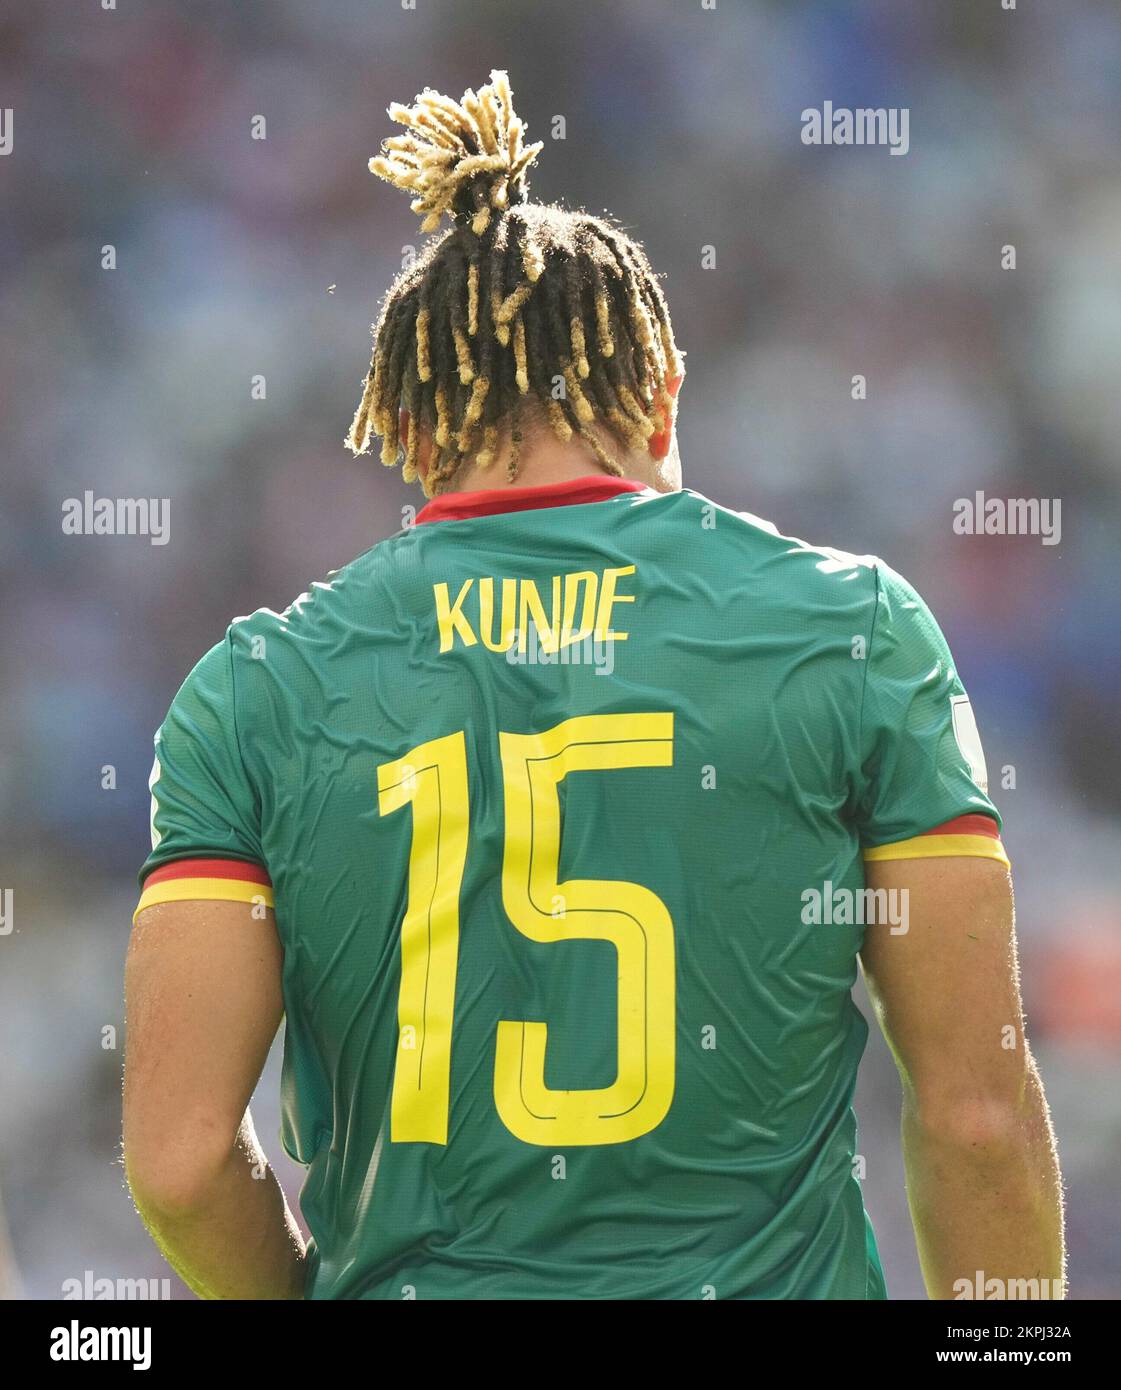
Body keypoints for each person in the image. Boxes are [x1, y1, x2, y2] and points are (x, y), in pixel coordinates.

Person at [123, 72, 1064, 1300]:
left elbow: (182, 1162)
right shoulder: (853, 629)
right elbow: (976, 1117)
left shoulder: (250, 691)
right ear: (666, 386)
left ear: (404, 431)